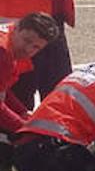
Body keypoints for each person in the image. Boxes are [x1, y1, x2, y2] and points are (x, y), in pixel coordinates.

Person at [0, 13, 57, 141]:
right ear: (17, 28)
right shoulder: (3, 53)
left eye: (36, 47)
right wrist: (25, 128)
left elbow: (3, 88)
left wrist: (22, 112)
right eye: (27, 40)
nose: (28, 49)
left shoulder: (8, 39)